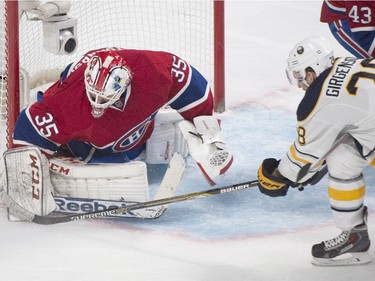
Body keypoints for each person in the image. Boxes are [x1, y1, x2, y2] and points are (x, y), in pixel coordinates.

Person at [2, 47, 233, 218]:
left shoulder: (152, 72)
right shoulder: (67, 103)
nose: (97, 106)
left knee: (125, 132)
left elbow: (191, 86)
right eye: (94, 96)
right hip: (87, 149)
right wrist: (24, 178)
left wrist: (207, 131)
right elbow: (28, 129)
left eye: (105, 99)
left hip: (135, 136)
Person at [257, 36, 373, 266]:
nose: (300, 84)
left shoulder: (320, 99)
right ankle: (354, 236)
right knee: (343, 157)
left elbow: (301, 161)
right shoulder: (347, 63)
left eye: (300, 76)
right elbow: (345, 124)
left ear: (312, 70)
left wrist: (276, 176)